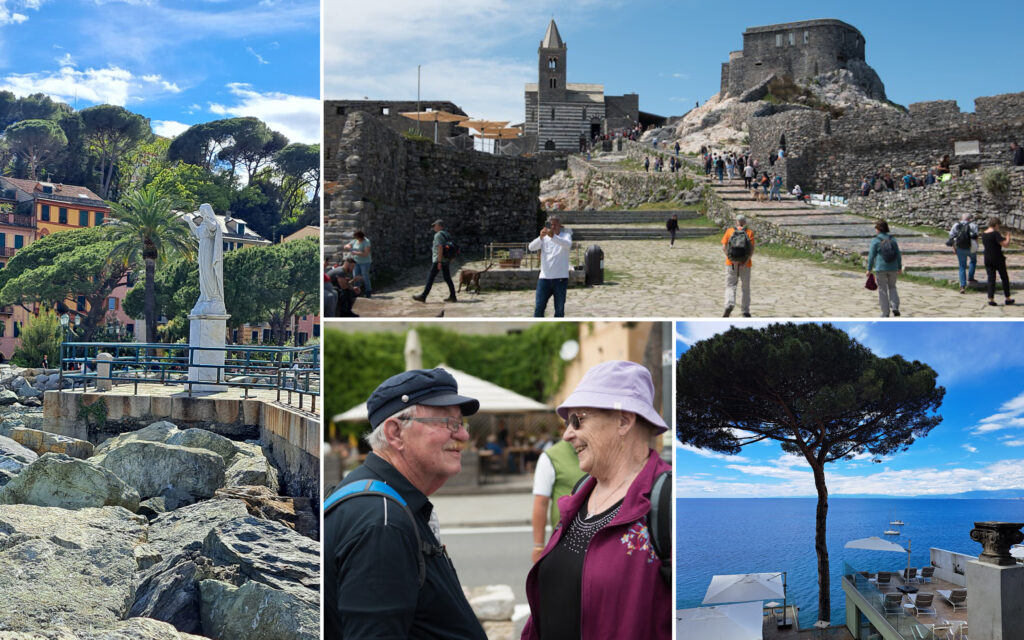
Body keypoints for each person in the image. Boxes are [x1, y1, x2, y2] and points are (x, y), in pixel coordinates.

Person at [324, 368, 487, 639]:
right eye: (448, 422)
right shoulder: (382, 522)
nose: (463, 436)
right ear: (396, 432)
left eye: (462, 424)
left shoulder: (377, 501)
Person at [521, 360, 671, 640]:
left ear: (623, 421)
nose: (567, 434)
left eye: (578, 419)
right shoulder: (580, 494)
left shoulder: (669, 502)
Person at [530, 439, 586, 564]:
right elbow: (541, 503)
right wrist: (538, 546)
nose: (569, 432)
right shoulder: (551, 456)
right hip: (565, 543)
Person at [529, 215, 573, 317]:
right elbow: (531, 247)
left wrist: (553, 237)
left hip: (560, 279)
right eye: (551, 225)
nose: (553, 227)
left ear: (560, 226)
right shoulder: (544, 239)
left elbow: (567, 244)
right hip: (544, 278)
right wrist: (540, 237)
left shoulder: (565, 236)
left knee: (559, 310)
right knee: (539, 308)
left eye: (555, 225)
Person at [412, 219, 457, 303]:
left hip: (438, 260)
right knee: (447, 278)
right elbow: (452, 246)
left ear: (439, 226)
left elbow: (440, 247)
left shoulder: (438, 235)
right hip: (446, 260)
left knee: (430, 278)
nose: (434, 227)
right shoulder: (447, 234)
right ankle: (453, 296)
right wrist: (451, 258)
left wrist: (439, 262)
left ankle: (423, 296)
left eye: (435, 225)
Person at [866, 220, 903, 317]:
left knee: (882, 290)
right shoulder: (893, 239)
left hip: (881, 268)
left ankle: (885, 313)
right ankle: (895, 307)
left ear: (878, 229)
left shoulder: (875, 240)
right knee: (892, 287)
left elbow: (871, 256)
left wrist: (868, 269)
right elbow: (898, 255)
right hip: (893, 268)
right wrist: (899, 267)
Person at [721, 215, 754, 317]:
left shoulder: (729, 231)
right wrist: (745, 262)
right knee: (745, 288)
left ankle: (729, 305)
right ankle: (745, 311)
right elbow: (751, 250)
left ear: (736, 222)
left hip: (731, 264)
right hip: (745, 264)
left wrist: (731, 259)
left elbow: (724, 247)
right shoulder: (749, 233)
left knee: (731, 285)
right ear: (745, 222)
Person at [982, 217, 1015, 306]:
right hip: (998, 258)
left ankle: (991, 299)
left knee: (991, 279)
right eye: (998, 226)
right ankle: (1007, 298)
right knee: (1004, 277)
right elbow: (1006, 245)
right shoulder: (995, 234)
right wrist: (1008, 237)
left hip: (987, 258)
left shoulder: (984, 234)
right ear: (996, 225)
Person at [948, 213, 979, 293]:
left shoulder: (956, 225)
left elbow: (952, 236)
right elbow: (976, 237)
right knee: (973, 261)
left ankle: (962, 286)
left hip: (960, 248)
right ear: (969, 219)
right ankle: (971, 277)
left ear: (961, 218)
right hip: (971, 247)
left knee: (962, 266)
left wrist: (954, 248)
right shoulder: (973, 225)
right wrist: (976, 247)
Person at [343, 230, 372, 298]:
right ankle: (357, 291)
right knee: (355, 277)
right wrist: (348, 246)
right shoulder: (355, 241)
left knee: (365, 277)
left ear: (360, 237)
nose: (356, 238)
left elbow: (366, 253)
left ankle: (368, 292)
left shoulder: (366, 242)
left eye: (357, 237)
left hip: (365, 262)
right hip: (356, 262)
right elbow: (347, 245)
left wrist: (355, 253)